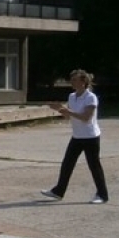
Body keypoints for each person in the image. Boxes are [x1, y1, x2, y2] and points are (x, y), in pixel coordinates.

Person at [41, 69, 109, 204]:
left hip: (90, 137)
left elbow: (86, 117)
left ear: (83, 82)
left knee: (94, 165)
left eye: (75, 80)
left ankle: (102, 195)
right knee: (67, 163)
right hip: (77, 136)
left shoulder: (91, 97)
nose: (72, 82)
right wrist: (60, 109)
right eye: (71, 80)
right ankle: (58, 191)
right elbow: (68, 116)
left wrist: (68, 111)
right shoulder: (72, 96)